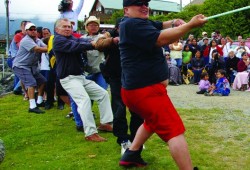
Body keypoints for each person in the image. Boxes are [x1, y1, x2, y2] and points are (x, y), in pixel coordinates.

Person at [119, 0, 207, 168]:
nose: (144, 6)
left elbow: (159, 24)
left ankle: (131, 153)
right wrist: (189, 25)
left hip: (139, 91)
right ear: (126, 10)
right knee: (174, 130)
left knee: (152, 121)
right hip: (145, 91)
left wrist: (173, 22)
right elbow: (160, 39)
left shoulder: (138, 22)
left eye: (145, 3)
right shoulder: (132, 24)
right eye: (138, 3)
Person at [53, 18, 113, 142]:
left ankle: (105, 123)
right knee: (84, 100)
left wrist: (102, 38)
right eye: (64, 26)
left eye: (69, 26)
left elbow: (82, 40)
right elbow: (77, 45)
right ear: (57, 29)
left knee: (102, 94)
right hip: (68, 78)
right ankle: (90, 133)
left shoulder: (71, 38)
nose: (68, 28)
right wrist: (95, 44)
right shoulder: (58, 40)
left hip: (79, 77)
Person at [94, 18, 144, 154]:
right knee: (119, 108)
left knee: (137, 109)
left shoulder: (136, 36)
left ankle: (136, 139)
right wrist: (113, 41)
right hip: (116, 76)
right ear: (117, 28)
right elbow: (98, 44)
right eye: (123, 27)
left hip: (134, 77)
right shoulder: (109, 35)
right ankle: (122, 139)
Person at [13, 23, 48, 114]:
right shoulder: (25, 40)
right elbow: (38, 49)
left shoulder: (37, 40)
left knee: (43, 81)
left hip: (32, 66)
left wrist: (49, 46)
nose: (33, 31)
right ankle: (32, 106)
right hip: (21, 66)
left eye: (34, 29)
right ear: (27, 31)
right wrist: (51, 48)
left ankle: (39, 101)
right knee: (31, 83)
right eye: (31, 29)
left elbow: (44, 46)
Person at [81, 16, 108, 90]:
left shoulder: (103, 37)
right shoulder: (82, 38)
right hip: (87, 71)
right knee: (89, 94)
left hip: (100, 71)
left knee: (103, 92)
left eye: (96, 25)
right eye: (91, 25)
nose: (94, 27)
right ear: (87, 27)